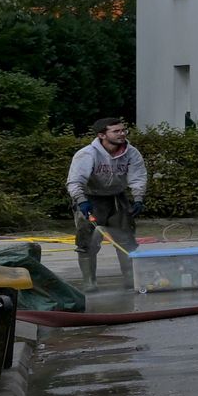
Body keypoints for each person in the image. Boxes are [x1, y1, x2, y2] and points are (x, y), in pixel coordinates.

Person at [65, 120, 147, 283]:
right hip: (91, 198)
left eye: (123, 130)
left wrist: (138, 198)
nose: (122, 134)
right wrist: (81, 201)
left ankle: (131, 280)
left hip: (117, 198)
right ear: (102, 135)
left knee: (127, 241)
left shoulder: (131, 153)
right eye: (116, 131)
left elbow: (138, 176)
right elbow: (75, 181)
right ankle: (90, 283)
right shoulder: (87, 154)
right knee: (87, 242)